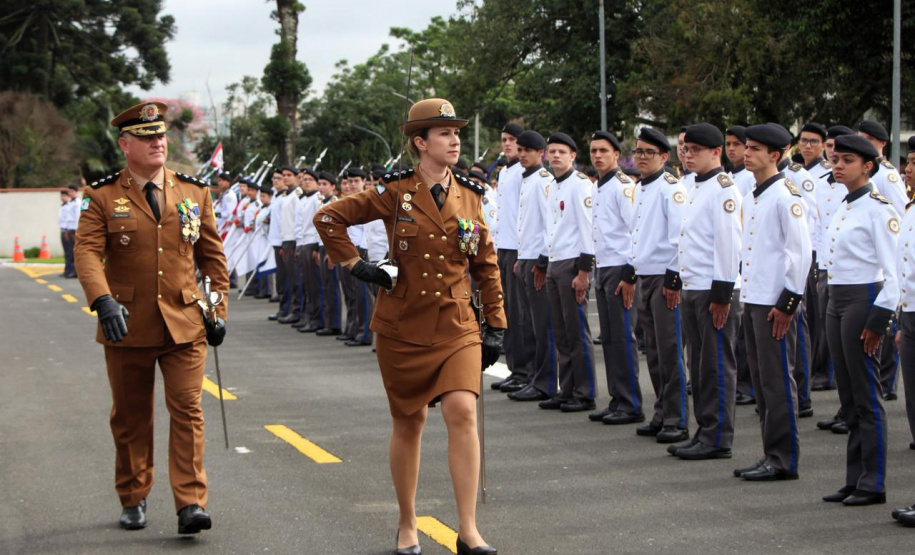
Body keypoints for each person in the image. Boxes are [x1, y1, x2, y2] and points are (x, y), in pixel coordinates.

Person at [314, 98, 503, 555]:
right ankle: (407, 524)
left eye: (456, 132)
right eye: (444, 133)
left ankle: (469, 530)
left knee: (462, 410)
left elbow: (487, 263)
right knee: (409, 421)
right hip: (403, 325)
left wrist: (495, 322)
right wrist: (358, 265)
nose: (455, 139)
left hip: (457, 323)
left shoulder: (471, 196)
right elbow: (328, 217)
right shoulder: (394, 192)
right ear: (420, 143)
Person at [73, 101, 228, 534]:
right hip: (126, 323)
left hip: (184, 322)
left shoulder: (194, 192)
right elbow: (86, 252)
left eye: (160, 136)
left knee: (189, 412)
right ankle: (134, 493)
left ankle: (191, 503)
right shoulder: (102, 196)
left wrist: (217, 310)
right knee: (131, 416)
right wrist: (102, 300)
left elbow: (213, 258)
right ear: (125, 145)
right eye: (146, 138)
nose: (157, 143)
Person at [820, 134, 899, 506]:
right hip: (838, 298)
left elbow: (894, 272)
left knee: (867, 394)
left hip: (864, 299)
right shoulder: (846, 204)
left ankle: (874, 482)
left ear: (868, 166)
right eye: (835, 159)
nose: (837, 165)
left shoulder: (879, 208)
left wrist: (878, 320)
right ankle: (855, 477)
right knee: (849, 395)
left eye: (846, 160)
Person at [733, 123, 811, 482]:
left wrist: (789, 302)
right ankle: (770, 453)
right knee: (764, 382)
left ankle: (783, 458)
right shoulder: (753, 195)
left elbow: (800, 253)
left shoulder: (786, 195)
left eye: (755, 149)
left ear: (775, 156)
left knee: (778, 381)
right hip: (754, 297)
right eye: (746, 148)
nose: (747, 154)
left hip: (776, 302)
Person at [668, 123, 743, 461]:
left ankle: (717, 437)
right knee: (699, 365)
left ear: (716, 152)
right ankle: (705, 429)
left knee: (716, 365)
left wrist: (722, 295)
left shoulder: (724, 189)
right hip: (694, 284)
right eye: (685, 150)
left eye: (696, 150)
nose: (688, 155)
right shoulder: (695, 186)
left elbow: (729, 245)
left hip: (714, 289)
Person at [628, 127, 690, 444]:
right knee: (652, 350)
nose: (640, 157)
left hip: (665, 277)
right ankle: (661, 412)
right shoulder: (640, 187)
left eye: (647, 153)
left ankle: (677, 418)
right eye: (637, 151)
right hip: (645, 274)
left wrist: (674, 278)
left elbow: (680, 238)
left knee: (669, 349)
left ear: (664, 157)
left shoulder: (671, 188)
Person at [533, 132, 597, 414]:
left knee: (576, 330)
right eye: (552, 151)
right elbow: (551, 229)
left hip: (573, 262)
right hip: (555, 261)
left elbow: (587, 229)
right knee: (561, 331)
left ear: (573, 156)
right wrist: (543, 262)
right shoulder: (553, 186)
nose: (555, 156)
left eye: (562, 152)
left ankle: (584, 392)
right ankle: (567, 387)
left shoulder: (580, 185)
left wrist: (584, 272)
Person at [584, 130, 643, 425]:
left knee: (622, 337)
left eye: (603, 151)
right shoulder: (599, 186)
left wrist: (630, 272)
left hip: (620, 267)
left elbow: (635, 231)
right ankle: (617, 398)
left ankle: (631, 402)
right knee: (609, 338)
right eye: (594, 151)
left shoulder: (622, 186)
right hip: (604, 266)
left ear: (616, 155)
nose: (597, 156)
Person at [504, 130, 558, 403]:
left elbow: (549, 225)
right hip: (524, 257)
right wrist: (520, 258)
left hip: (538, 259)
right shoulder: (527, 179)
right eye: (520, 149)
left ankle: (546, 381)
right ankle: (534, 377)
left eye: (528, 150)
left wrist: (540, 260)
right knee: (528, 323)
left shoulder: (543, 181)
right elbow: (524, 224)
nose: (522, 154)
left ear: (541, 154)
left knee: (542, 324)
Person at [858, 120, 905, 400]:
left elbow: (900, 213)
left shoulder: (886, 175)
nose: (862, 142)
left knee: (888, 323)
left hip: (887, 252)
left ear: (881, 144)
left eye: (867, 139)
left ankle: (887, 382)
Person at [491, 122, 533, 393]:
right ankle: (515, 369)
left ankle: (526, 370)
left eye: (513, 140)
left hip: (519, 247)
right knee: (508, 312)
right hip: (504, 247)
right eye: (504, 139)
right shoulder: (505, 172)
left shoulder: (525, 172)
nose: (508, 144)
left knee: (520, 314)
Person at [293, 167, 322, 331]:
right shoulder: (302, 199)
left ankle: (315, 318)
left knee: (313, 284)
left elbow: (318, 225)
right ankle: (308, 316)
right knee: (305, 283)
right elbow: (298, 225)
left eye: (310, 180)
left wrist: (317, 246)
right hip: (302, 243)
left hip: (312, 242)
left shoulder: (317, 199)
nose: (306, 182)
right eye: (304, 180)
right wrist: (298, 244)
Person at [315, 172, 343, 336]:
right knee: (325, 286)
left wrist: (333, 253)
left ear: (333, 186)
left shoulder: (335, 203)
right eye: (320, 184)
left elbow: (336, 230)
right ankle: (327, 321)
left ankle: (335, 324)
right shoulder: (321, 203)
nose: (321, 187)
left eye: (325, 184)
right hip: (322, 245)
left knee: (332, 287)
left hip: (331, 247)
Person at [59, 185, 79, 278]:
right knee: (68, 251)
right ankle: (69, 270)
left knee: (73, 252)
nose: (70, 193)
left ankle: (74, 271)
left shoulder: (77, 203)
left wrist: (76, 231)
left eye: (71, 191)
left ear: (76, 191)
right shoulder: (71, 204)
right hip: (68, 229)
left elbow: (78, 217)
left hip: (73, 229)